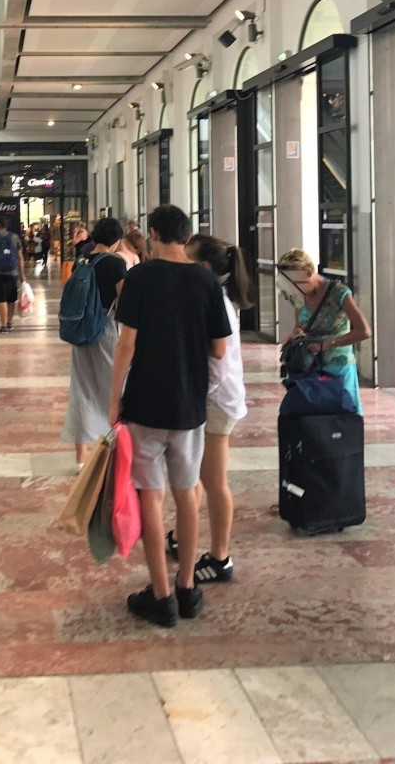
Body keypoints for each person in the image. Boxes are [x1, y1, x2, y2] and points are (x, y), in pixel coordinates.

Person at [109, 205, 231, 627]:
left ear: (155, 234)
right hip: (190, 408)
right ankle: (187, 588)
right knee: (187, 493)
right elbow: (220, 349)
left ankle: (160, 596)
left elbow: (126, 346)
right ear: (186, 234)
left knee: (151, 495)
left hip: (145, 403)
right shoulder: (207, 281)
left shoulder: (141, 277)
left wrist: (113, 401)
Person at [165, 235, 253, 585]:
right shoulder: (212, 296)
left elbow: (217, 359)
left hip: (216, 401)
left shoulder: (215, 300)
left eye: (188, 260)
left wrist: (198, 397)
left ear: (203, 267)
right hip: (213, 397)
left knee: (214, 481)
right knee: (197, 473)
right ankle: (180, 535)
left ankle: (220, 557)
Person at [60, 217, 127, 471]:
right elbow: (126, 301)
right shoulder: (115, 263)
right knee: (113, 389)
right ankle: (115, 449)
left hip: (80, 331)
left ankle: (80, 459)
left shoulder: (82, 260)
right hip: (105, 329)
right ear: (117, 239)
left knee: (82, 389)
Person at [277, 248, 371, 414]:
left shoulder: (338, 293)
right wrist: (294, 335)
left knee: (343, 417)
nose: (293, 287)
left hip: (339, 366)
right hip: (309, 368)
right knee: (315, 421)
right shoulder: (298, 296)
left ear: (309, 273)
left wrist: (328, 344)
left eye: (296, 282)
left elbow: (364, 331)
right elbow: (299, 326)